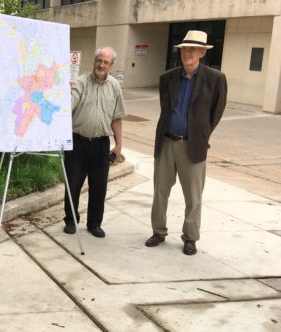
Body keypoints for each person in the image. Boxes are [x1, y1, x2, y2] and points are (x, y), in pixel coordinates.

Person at [144, 30, 227, 255]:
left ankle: (190, 237)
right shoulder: (167, 78)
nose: (187, 53)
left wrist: (201, 135)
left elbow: (216, 112)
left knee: (193, 196)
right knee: (160, 191)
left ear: (202, 52)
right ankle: (158, 231)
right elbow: (165, 109)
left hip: (194, 147)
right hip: (167, 143)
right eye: (184, 49)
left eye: (192, 49)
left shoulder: (215, 79)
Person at [63, 47, 125, 238]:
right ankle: (71, 220)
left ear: (111, 65)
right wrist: (64, 92)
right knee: (73, 183)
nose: (101, 64)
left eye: (106, 62)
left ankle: (94, 224)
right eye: (99, 60)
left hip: (101, 145)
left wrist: (119, 144)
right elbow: (68, 106)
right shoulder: (80, 82)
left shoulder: (115, 87)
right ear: (94, 60)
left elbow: (117, 117)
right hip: (78, 142)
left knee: (99, 186)